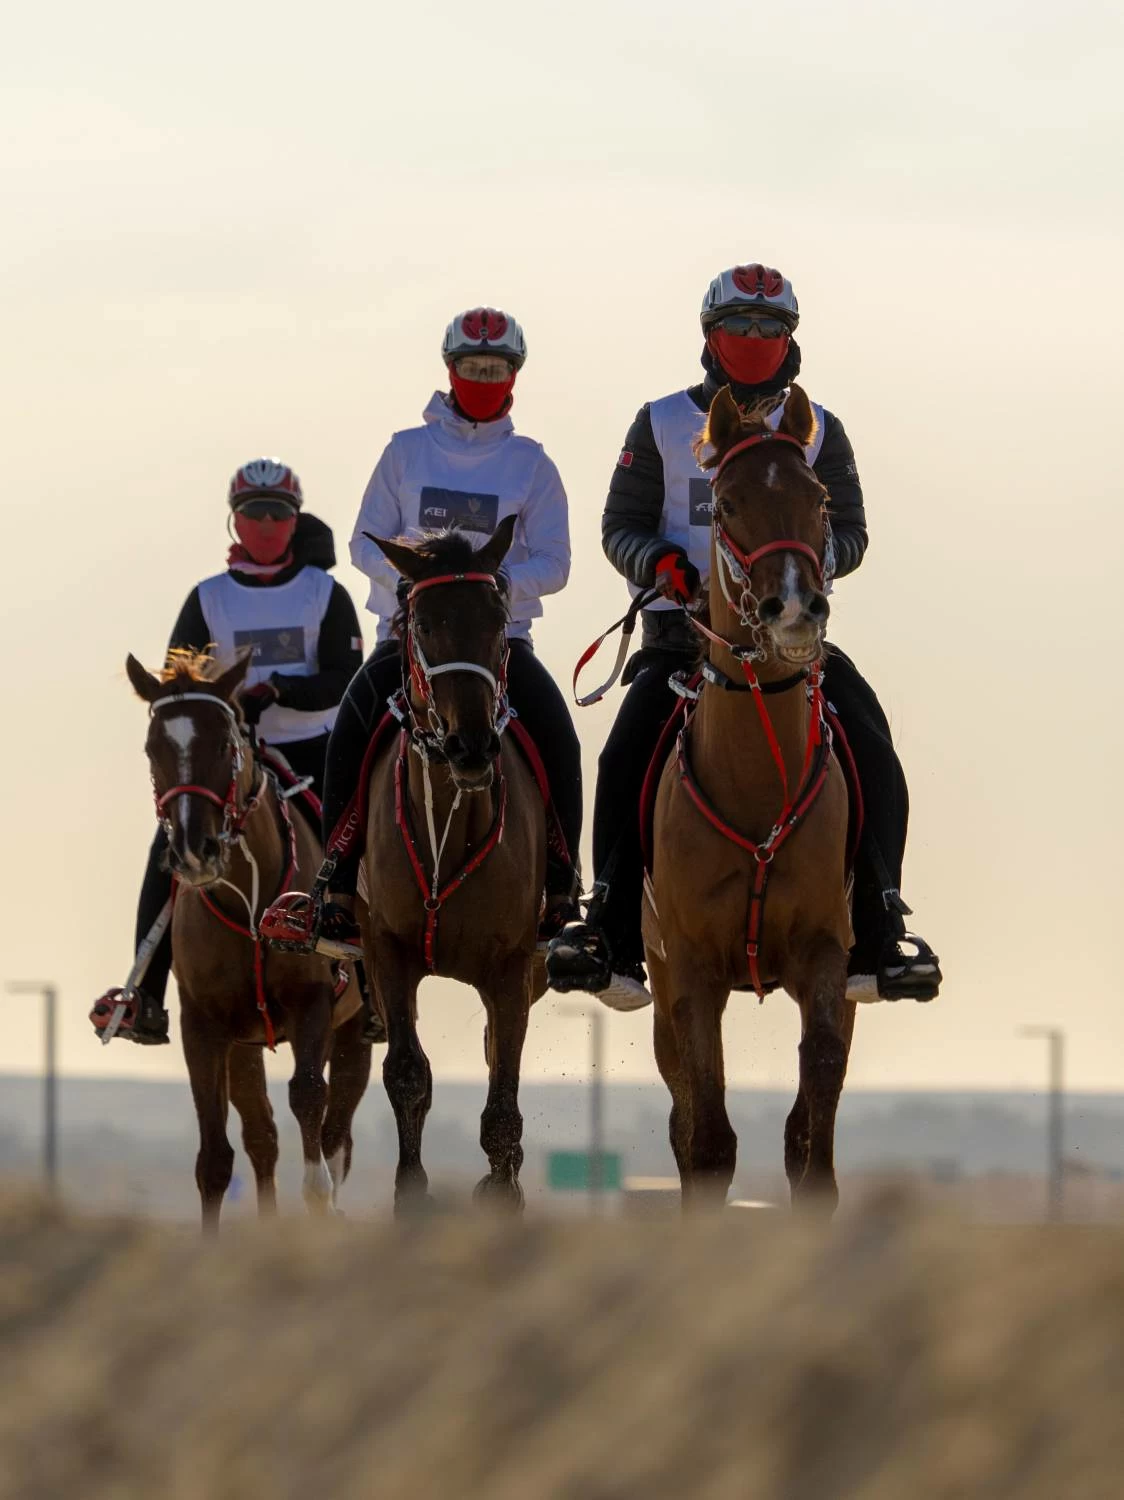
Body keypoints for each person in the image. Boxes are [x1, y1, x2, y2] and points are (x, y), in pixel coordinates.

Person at [547, 263, 942, 1009]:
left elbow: (851, 531)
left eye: (770, 328)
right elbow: (618, 525)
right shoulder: (661, 422)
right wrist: (656, 561)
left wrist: (801, 571)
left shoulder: (820, 428)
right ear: (711, 334)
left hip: (789, 638)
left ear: (791, 338)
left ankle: (881, 919)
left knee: (870, 737)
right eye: (741, 326)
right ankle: (610, 923)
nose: (755, 339)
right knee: (626, 746)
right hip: (682, 636)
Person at [265, 308, 582, 954]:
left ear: (514, 376)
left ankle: (561, 891)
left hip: (499, 645)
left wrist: (494, 589)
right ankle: (335, 889)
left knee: (559, 736)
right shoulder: (406, 451)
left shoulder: (531, 466)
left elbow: (556, 562)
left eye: (495, 369)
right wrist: (419, 588)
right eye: (473, 368)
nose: (483, 378)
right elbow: (361, 542)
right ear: (450, 370)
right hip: (409, 640)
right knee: (350, 727)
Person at [91, 459, 364, 1044]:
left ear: (295, 521)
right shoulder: (208, 598)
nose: (265, 525)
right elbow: (177, 684)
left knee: (356, 844)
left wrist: (280, 689)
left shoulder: (324, 594)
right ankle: (146, 996)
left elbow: (347, 674)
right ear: (234, 521)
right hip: (228, 756)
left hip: (313, 747)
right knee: (169, 849)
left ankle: (373, 986)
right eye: (253, 514)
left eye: (278, 514)